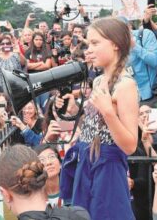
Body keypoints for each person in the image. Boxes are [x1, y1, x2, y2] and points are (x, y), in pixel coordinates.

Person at [58, 17, 139, 219]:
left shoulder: (126, 85)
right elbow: (95, 127)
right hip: (87, 163)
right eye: (88, 44)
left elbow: (130, 145)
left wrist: (108, 113)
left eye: (95, 43)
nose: (89, 50)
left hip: (108, 172)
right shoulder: (99, 81)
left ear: (115, 45)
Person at [0, 144, 90, 219]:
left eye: (52, 157)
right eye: (43, 159)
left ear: (5, 194)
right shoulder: (79, 215)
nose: (48, 162)